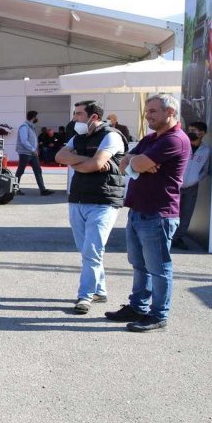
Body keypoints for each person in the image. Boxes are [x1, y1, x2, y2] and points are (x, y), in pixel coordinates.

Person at [105, 93, 191, 332]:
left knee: (159, 268)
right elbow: (124, 164)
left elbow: (136, 164)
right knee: (140, 265)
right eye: (147, 111)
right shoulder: (152, 138)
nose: (147, 115)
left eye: (153, 111)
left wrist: (138, 162)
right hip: (138, 211)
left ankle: (158, 315)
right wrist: (136, 160)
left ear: (170, 112)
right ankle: (138, 307)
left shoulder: (174, 140)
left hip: (158, 214)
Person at [54, 100, 128, 314]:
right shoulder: (78, 136)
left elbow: (95, 165)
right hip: (78, 199)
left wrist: (77, 161)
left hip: (103, 201)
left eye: (78, 114)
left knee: (92, 251)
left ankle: (85, 296)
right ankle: (100, 290)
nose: (74, 118)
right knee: (86, 251)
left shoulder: (111, 136)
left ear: (93, 116)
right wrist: (86, 160)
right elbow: (60, 157)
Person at [171, 122, 210, 249]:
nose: (190, 132)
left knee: (187, 213)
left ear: (202, 133)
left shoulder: (206, 150)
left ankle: (178, 238)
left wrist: (196, 179)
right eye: (189, 130)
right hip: (176, 185)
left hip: (192, 187)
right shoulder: (182, 145)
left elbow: (205, 169)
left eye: (194, 130)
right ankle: (167, 236)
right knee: (171, 212)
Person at [14, 110, 54, 196]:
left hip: (32, 153)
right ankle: (14, 189)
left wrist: (35, 149)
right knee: (20, 171)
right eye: (36, 117)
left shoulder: (31, 127)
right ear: (33, 117)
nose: (37, 119)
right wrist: (33, 149)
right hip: (25, 153)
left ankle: (43, 190)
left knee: (38, 170)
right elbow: (24, 141)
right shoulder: (24, 127)